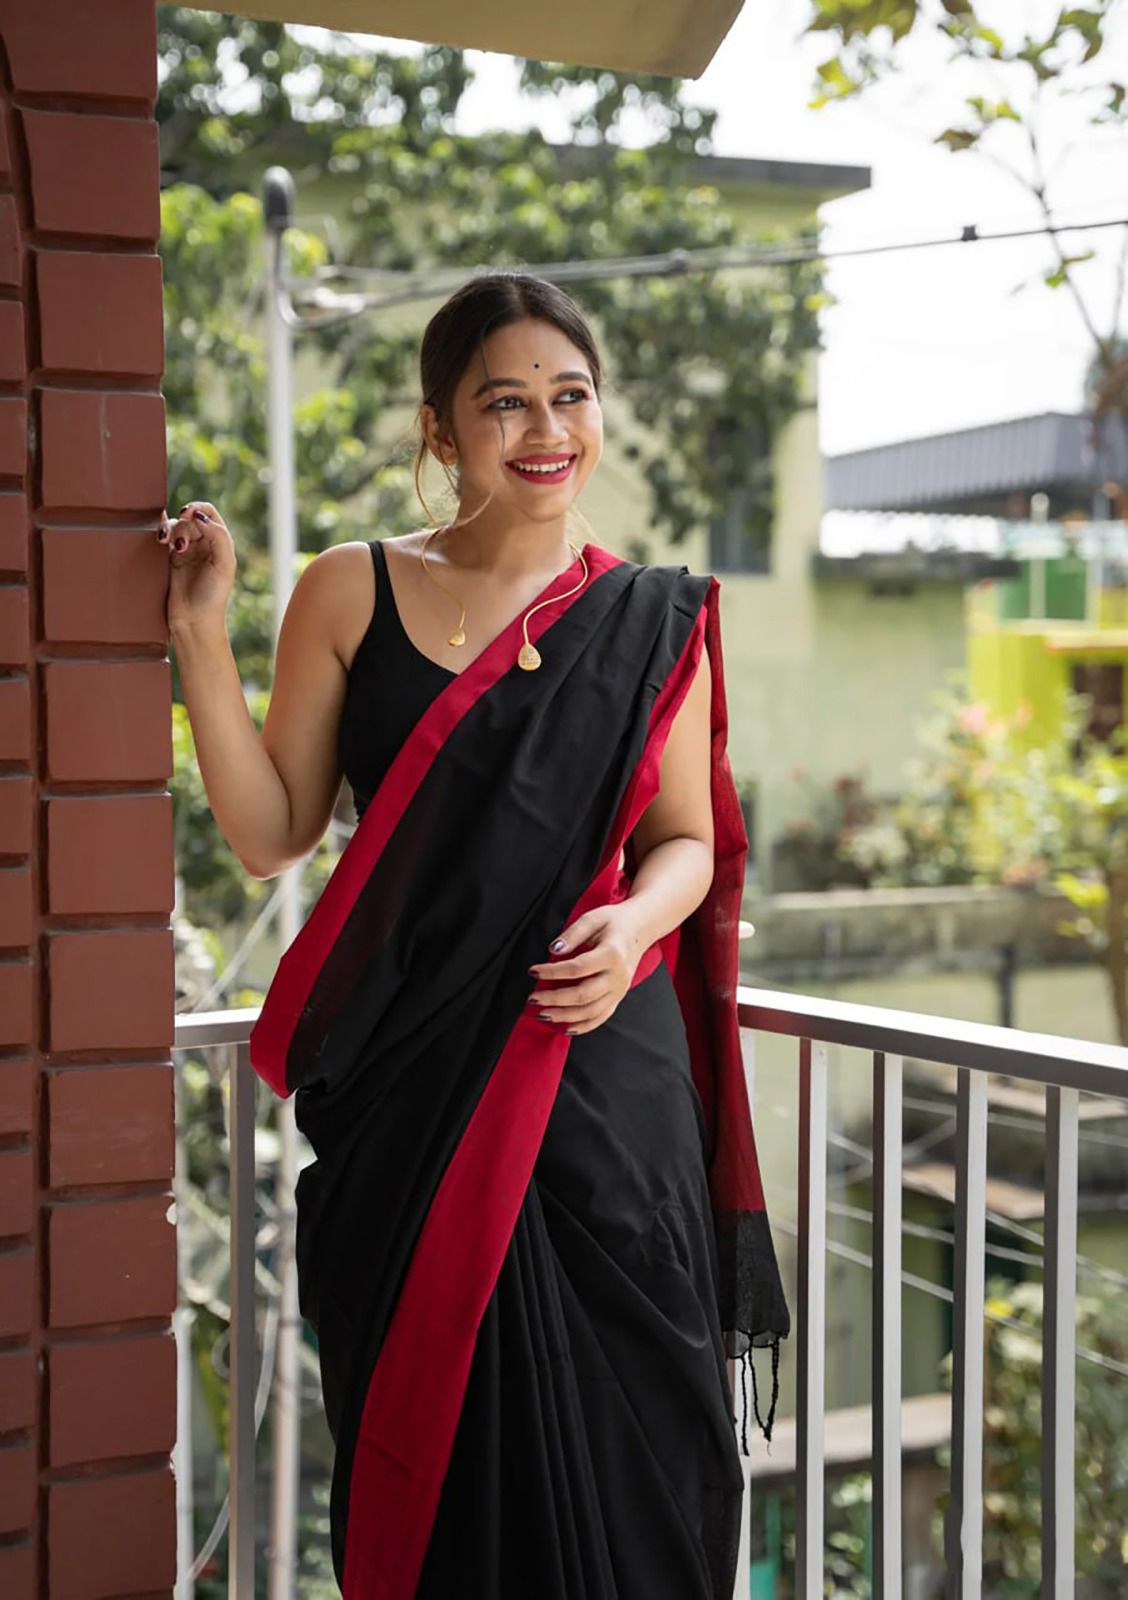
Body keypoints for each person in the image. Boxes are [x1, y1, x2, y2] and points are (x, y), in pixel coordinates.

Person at [163, 270, 790, 1600]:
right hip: (407, 1100)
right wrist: (199, 634)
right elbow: (275, 831)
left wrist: (629, 929)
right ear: (442, 429)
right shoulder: (352, 591)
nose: (547, 429)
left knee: (643, 1459)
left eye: (571, 397)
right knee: (437, 1469)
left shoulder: (645, 622)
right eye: (505, 403)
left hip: (601, 1099)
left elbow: (687, 842)